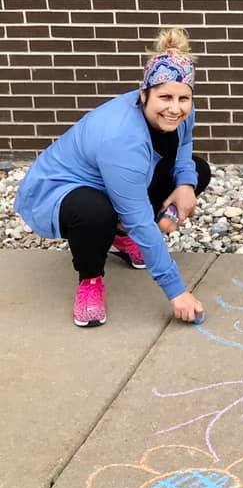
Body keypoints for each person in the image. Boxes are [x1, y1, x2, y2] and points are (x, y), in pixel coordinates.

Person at [14, 27, 210, 328]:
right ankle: (90, 280)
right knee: (96, 214)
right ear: (143, 94)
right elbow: (139, 217)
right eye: (165, 97)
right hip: (59, 189)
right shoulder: (122, 140)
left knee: (198, 171)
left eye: (183, 98)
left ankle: (117, 234)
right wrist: (177, 292)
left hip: (114, 180)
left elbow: (183, 146)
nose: (175, 108)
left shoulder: (183, 110)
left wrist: (185, 184)